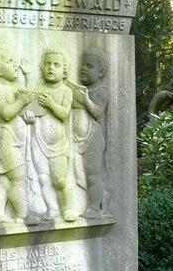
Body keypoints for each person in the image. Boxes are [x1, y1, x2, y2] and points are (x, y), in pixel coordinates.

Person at [0, 45, 35, 224]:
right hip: (7, 140)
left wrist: (28, 77)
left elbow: (27, 101)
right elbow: (6, 113)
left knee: (6, 180)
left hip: (17, 139)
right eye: (9, 61)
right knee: (18, 177)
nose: (14, 65)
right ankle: (22, 215)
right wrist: (20, 102)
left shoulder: (13, 87)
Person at [31, 49, 76, 222]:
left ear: (64, 70)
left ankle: (66, 209)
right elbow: (33, 112)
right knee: (43, 178)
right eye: (48, 64)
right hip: (39, 141)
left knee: (59, 180)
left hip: (58, 145)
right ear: (42, 67)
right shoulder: (39, 89)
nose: (51, 68)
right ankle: (52, 209)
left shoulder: (66, 91)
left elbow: (64, 114)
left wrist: (50, 103)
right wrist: (29, 117)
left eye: (56, 65)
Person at [71, 47, 109, 218]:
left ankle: (95, 207)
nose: (83, 68)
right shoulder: (78, 90)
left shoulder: (101, 92)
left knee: (93, 175)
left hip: (93, 138)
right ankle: (101, 196)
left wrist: (85, 101)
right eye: (82, 65)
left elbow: (98, 112)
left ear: (100, 72)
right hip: (76, 138)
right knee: (79, 175)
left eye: (89, 66)